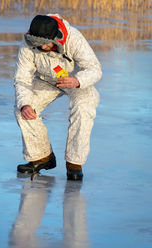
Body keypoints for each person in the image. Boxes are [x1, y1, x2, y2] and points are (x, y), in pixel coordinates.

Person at [14, 14, 102, 181]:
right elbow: (21, 78)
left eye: (44, 44)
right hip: (46, 80)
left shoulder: (74, 38)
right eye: (36, 44)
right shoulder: (27, 44)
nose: (40, 48)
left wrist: (77, 80)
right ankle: (42, 157)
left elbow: (94, 69)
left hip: (74, 80)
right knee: (23, 110)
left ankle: (74, 163)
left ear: (56, 38)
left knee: (84, 105)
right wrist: (24, 104)